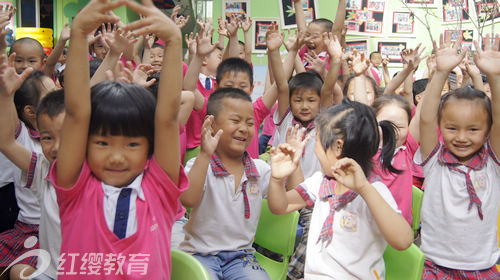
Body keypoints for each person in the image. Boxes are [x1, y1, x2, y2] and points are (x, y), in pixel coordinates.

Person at [48, 0, 187, 278]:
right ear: (84, 143)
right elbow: (76, 113)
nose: (116, 156)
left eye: (132, 144)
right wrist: (77, 35)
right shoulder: (76, 186)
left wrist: (173, 40)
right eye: (102, 142)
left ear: (150, 147)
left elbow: (168, 119)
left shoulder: (159, 189)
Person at [268, 99, 413, 279]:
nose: (314, 149)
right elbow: (279, 206)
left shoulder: (374, 191)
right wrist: (277, 178)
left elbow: (404, 240)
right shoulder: (322, 183)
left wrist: (364, 189)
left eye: (318, 142)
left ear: (338, 147)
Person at [416, 34, 500, 278]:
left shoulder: (492, 163)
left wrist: (494, 78)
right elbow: (426, 118)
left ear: (487, 131)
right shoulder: (435, 161)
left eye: (473, 129)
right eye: (452, 128)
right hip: (434, 265)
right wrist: (441, 72)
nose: (462, 137)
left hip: (482, 267)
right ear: (441, 128)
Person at [180, 88, 271, 280]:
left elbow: (287, 197)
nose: (244, 128)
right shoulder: (199, 165)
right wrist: (204, 155)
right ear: (212, 124)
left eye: (249, 123)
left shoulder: (260, 170)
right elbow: (188, 200)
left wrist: (288, 169)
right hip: (200, 254)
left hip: (241, 258)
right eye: (235, 121)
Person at [0, 85, 64, 280]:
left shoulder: (98, 174)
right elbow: (6, 143)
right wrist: (6, 95)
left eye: (65, 135)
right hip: (50, 271)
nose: (56, 147)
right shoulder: (43, 169)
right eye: (47, 138)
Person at [371, 94, 421, 225]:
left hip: (399, 231)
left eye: (399, 127)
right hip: (370, 228)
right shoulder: (364, 152)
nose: (392, 132)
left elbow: (425, 112)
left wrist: (437, 77)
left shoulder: (407, 149)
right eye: (386, 125)